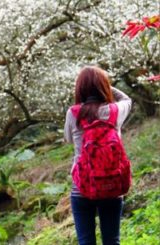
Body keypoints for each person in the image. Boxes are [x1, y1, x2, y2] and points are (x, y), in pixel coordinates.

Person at [64, 66, 132, 245]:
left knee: (86, 242)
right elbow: (126, 99)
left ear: (80, 88)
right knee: (112, 241)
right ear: (104, 86)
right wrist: (105, 86)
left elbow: (68, 139)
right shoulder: (115, 111)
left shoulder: (73, 113)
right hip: (112, 185)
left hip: (82, 187)